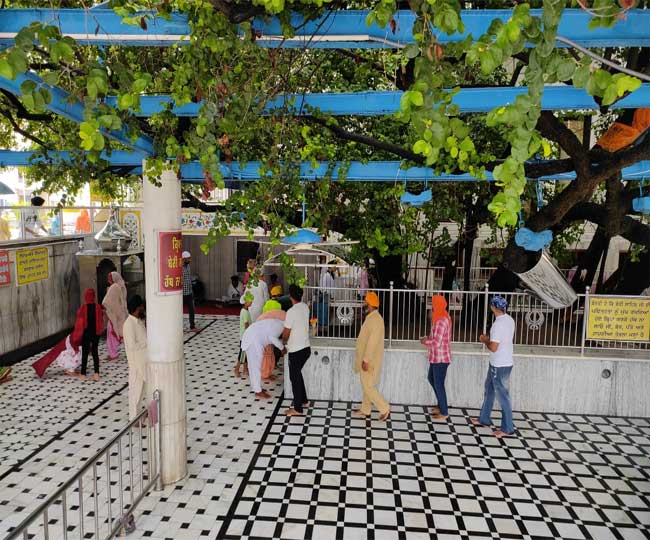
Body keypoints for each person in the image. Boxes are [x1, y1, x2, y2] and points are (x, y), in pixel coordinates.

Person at [471, 295, 516, 438]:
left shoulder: (498, 325)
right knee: (489, 389)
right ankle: (484, 419)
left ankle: (507, 428)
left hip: (499, 364)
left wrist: (485, 340)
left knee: (503, 396)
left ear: (493, 307)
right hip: (503, 361)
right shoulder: (509, 319)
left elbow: (494, 347)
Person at [354, 292, 390, 421]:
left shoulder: (375, 320)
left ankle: (384, 408)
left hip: (370, 360)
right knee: (366, 384)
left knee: (368, 385)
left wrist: (366, 360)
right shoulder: (372, 317)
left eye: (365, 302)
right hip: (368, 357)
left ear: (369, 304)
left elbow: (372, 342)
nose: (364, 304)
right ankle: (366, 409)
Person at [420, 295, 452, 421]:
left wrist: (424, 341)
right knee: (432, 379)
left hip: (440, 358)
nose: (431, 307)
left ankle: (444, 412)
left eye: (433, 305)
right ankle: (441, 405)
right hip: (436, 356)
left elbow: (436, 343)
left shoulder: (441, 321)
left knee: (438, 384)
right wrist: (428, 338)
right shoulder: (441, 316)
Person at [283, 285, 311, 417]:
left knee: (294, 378)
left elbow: (286, 333)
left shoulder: (291, 312)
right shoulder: (305, 307)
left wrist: (283, 342)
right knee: (297, 375)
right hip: (306, 349)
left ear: (291, 297)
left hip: (295, 350)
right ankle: (304, 400)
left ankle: (298, 409)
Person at [241, 317, 284, 399]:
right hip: (253, 340)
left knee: (254, 366)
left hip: (253, 338)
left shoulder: (279, 323)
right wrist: (282, 348)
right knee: (255, 367)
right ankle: (258, 391)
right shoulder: (280, 327)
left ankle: (257, 388)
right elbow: (272, 338)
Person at [123, 295, 148, 420]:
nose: (143, 308)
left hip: (143, 362)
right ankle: (133, 419)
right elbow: (132, 345)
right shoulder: (129, 324)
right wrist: (148, 342)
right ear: (137, 307)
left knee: (142, 391)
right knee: (136, 392)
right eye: (142, 306)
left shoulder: (138, 321)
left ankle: (139, 416)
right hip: (136, 364)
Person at [77, 288, 104, 382]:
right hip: (96, 334)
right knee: (95, 353)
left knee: (84, 354)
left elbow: (79, 321)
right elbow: (101, 319)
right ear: (94, 296)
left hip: (86, 334)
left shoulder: (83, 308)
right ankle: (96, 374)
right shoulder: (97, 307)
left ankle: (83, 374)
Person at [103, 271, 128, 360]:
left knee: (111, 333)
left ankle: (113, 354)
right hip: (122, 313)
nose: (108, 280)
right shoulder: (122, 285)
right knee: (123, 333)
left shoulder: (114, 287)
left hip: (115, 315)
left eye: (110, 279)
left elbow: (106, 301)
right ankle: (130, 352)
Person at [236, 296, 252, 378]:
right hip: (245, 336)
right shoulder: (245, 312)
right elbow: (246, 325)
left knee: (246, 354)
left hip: (245, 335)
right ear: (245, 302)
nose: (251, 302)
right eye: (250, 301)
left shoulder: (244, 310)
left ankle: (245, 369)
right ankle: (237, 369)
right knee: (242, 354)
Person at [182, 251, 198, 332]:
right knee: (178, 311)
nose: (190, 260)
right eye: (188, 258)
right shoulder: (180, 267)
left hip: (189, 292)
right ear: (184, 259)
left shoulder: (188, 266)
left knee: (192, 309)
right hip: (182, 294)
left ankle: (192, 326)